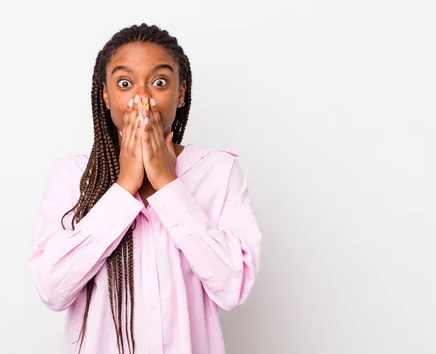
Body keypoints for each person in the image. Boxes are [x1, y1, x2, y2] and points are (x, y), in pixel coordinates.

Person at [28, 23, 262, 354]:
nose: (142, 99)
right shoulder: (71, 175)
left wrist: (167, 184)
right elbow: (53, 289)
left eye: (159, 82)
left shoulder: (220, 172)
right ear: (106, 95)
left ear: (181, 92)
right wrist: (124, 187)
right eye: (125, 83)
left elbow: (233, 287)